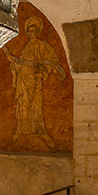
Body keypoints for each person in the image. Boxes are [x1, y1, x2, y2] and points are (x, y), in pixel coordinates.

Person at [8, 17, 66, 148]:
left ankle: (41, 131)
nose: (30, 34)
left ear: (38, 32)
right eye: (29, 31)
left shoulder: (43, 45)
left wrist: (44, 72)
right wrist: (14, 66)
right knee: (23, 105)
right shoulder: (27, 46)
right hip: (24, 81)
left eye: (33, 31)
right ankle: (21, 130)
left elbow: (52, 60)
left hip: (35, 80)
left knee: (36, 106)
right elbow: (22, 64)